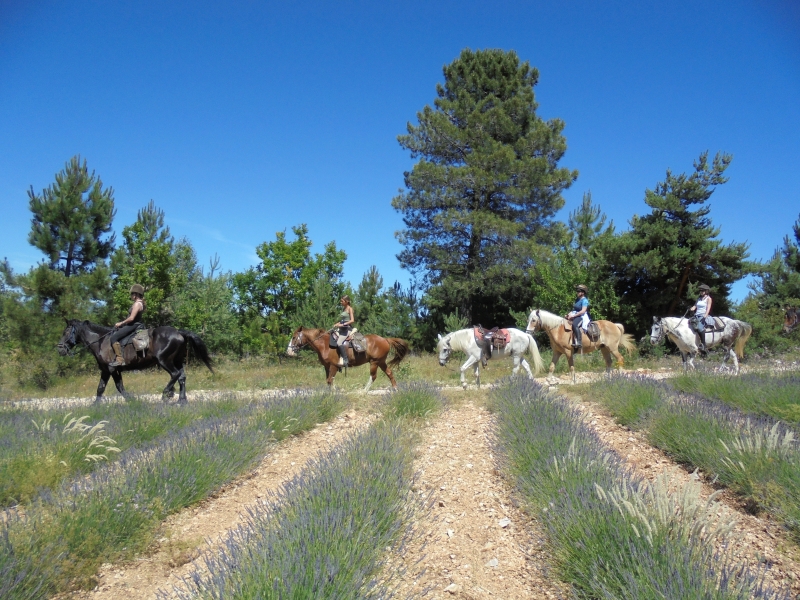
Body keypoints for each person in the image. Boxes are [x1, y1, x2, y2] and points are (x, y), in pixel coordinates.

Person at [109, 284, 146, 368]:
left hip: (133, 325)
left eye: (132, 294)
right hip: (134, 324)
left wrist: (121, 323)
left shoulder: (137, 304)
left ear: (136, 294)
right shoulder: (139, 303)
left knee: (113, 338)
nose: (131, 296)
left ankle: (119, 360)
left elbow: (131, 318)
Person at [688, 283, 713, 352]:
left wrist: (705, 315)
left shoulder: (708, 299)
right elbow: (695, 306)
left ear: (706, 291)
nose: (701, 292)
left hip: (703, 315)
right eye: (700, 291)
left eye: (702, 290)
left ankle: (704, 344)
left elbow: (708, 308)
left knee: (699, 327)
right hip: (696, 315)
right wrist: (691, 309)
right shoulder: (699, 299)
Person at [331, 295, 355, 367]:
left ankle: (345, 359)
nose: (340, 302)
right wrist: (337, 323)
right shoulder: (344, 309)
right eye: (341, 301)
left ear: (347, 301)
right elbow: (342, 320)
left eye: (342, 301)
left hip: (347, 329)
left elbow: (352, 320)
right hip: (342, 328)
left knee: (339, 342)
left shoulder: (350, 309)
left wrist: (342, 324)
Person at [565, 284, 590, 349]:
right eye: (577, 291)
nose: (577, 293)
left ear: (582, 292)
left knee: (574, 325)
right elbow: (574, 309)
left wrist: (573, 316)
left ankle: (579, 342)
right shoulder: (577, 300)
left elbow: (583, 311)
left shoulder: (585, 300)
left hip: (581, 316)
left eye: (578, 291)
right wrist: (568, 315)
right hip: (576, 315)